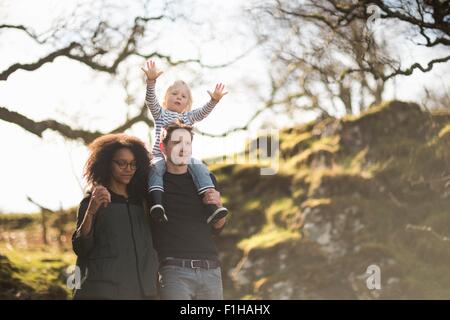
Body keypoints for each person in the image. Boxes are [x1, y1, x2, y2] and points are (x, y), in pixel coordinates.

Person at [141, 59, 229, 225]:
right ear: (166, 99)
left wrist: (214, 101)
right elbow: (150, 100)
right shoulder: (160, 113)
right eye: (174, 94)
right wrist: (151, 81)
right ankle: (157, 204)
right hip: (160, 156)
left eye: (183, 96)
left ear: (187, 104)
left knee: (201, 168)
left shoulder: (187, 117)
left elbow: (202, 113)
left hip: (183, 158)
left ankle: (212, 208)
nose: (178, 97)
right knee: (155, 171)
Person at [72, 134, 159, 299]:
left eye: (133, 164)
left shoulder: (142, 203)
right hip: (103, 292)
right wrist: (91, 212)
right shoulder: (93, 201)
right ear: (107, 164)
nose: (128, 169)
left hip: (144, 292)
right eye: (121, 163)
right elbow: (81, 247)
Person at [151, 121, 227, 300]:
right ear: (163, 147)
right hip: (174, 272)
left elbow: (218, 227)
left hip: (211, 270)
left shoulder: (206, 179)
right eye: (176, 142)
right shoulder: (154, 183)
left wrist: (218, 204)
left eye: (187, 143)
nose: (183, 148)